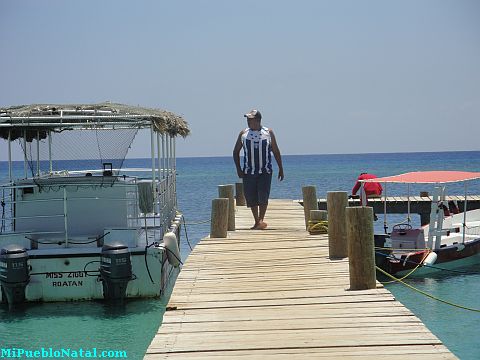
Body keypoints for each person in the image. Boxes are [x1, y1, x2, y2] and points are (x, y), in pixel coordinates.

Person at [233, 109, 284, 230]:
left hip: (265, 171)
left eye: (250, 119)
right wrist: (239, 169)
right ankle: (256, 221)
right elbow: (235, 152)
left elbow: (276, 151)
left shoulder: (268, 132)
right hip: (248, 171)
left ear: (258, 120)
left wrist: (281, 168)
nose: (248, 121)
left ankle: (261, 219)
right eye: (247, 119)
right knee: (251, 197)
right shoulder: (243, 134)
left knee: (263, 195)